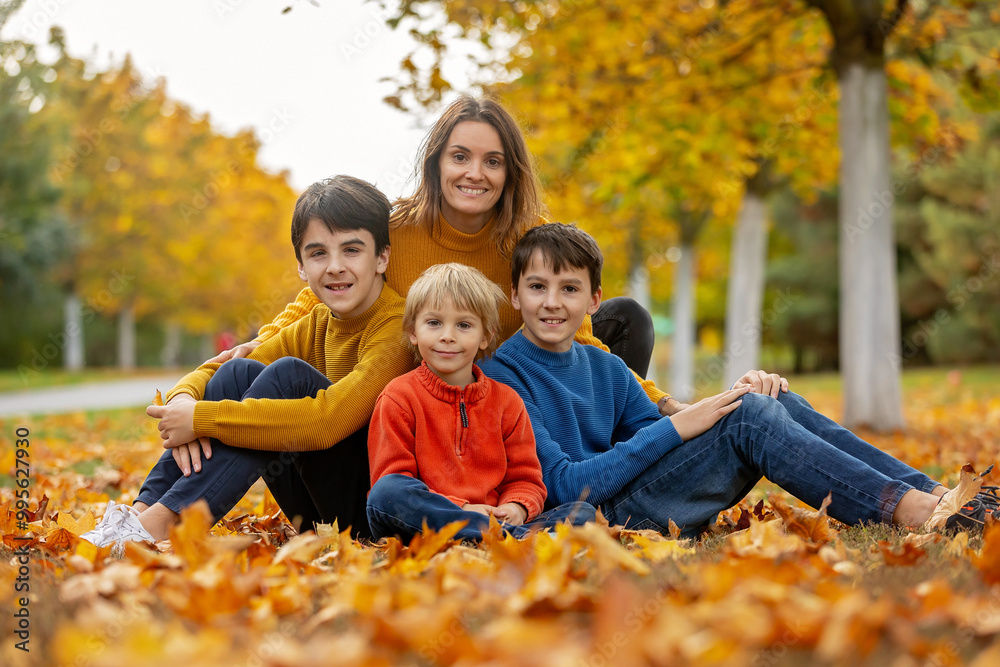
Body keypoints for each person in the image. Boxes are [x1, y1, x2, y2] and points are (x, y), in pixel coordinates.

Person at [478, 223, 995, 538]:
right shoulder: (505, 375)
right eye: (538, 287)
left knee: (771, 398)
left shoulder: (607, 365)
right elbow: (566, 484)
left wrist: (729, 398)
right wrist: (688, 425)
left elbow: (652, 439)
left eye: (569, 288)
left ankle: (939, 496)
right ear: (515, 294)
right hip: (602, 514)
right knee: (747, 415)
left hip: (644, 490)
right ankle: (910, 511)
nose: (552, 302)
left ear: (593, 301)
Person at [208, 95, 673, 409]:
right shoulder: (395, 228)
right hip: (418, 398)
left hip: (516, 395)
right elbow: (326, 288)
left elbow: (585, 338)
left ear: (510, 173)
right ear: (437, 162)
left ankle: (618, 441)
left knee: (627, 317)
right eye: (460, 157)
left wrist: (662, 403)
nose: (475, 173)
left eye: (492, 162)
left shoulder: (531, 239)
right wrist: (260, 341)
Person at [81, 176, 415, 551]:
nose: (335, 266)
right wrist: (182, 400)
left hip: (371, 509)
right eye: (318, 253)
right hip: (318, 506)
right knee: (238, 372)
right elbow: (225, 366)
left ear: (382, 257)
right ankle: (139, 516)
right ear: (302, 268)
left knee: (289, 377)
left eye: (351, 250)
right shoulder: (316, 323)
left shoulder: (397, 327)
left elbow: (329, 422)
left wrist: (201, 419)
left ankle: (165, 522)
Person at [366, 263, 596, 541]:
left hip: (497, 518)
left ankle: (497, 537)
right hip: (425, 525)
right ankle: (504, 538)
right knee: (387, 492)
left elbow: (526, 478)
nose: (447, 335)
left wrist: (517, 506)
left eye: (464, 325)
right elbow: (394, 479)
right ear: (413, 332)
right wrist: (463, 508)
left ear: (485, 336)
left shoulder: (507, 402)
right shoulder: (399, 397)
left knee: (581, 512)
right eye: (434, 323)